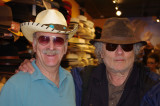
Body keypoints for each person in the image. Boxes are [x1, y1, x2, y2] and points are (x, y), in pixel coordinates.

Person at [16, 18, 160, 106]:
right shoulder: (81, 78)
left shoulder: (153, 87)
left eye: (127, 46)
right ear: (101, 52)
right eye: (111, 46)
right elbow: (50, 76)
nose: (119, 52)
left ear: (134, 52)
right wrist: (33, 67)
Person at [0, 9, 78, 106]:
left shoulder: (69, 79)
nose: (51, 47)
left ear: (65, 47)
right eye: (44, 39)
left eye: (58, 40)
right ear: (34, 45)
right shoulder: (15, 86)